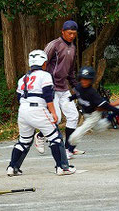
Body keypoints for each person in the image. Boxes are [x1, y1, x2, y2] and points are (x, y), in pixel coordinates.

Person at [7, 50, 76, 176]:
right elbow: (48, 95)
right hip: (38, 109)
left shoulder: (23, 78)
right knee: (55, 138)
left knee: (24, 141)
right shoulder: (45, 75)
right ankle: (62, 167)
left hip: (23, 110)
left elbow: (18, 97)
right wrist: (53, 113)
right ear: (44, 63)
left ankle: (12, 167)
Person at [34, 20, 82, 159]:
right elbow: (41, 63)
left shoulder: (73, 48)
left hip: (64, 88)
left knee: (73, 116)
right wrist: (41, 83)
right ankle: (40, 135)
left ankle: (69, 149)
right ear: (62, 31)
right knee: (56, 118)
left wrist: (76, 87)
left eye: (74, 34)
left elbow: (71, 71)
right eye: (69, 33)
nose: (72, 36)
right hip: (51, 87)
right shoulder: (54, 45)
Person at [68, 66, 119, 146]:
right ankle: (113, 114)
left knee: (79, 132)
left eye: (87, 79)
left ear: (91, 80)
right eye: (82, 78)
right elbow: (78, 95)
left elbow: (106, 105)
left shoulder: (92, 93)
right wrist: (70, 98)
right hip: (86, 114)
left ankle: (70, 150)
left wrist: (118, 111)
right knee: (100, 127)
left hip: (93, 115)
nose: (84, 81)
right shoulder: (78, 87)